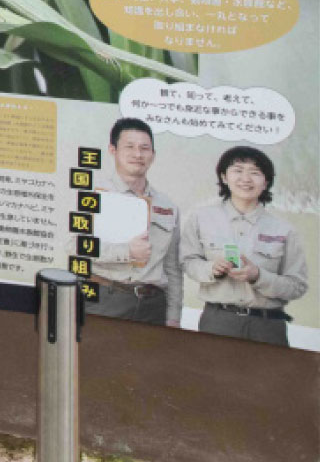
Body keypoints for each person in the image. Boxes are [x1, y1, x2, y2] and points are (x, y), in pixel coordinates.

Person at [181, 146, 308, 346]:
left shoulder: (284, 230)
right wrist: (211, 269)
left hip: (267, 326)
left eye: (255, 173)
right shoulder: (200, 218)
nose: (246, 179)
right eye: (238, 170)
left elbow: (296, 286)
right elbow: (188, 262)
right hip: (218, 322)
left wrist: (258, 276)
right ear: (224, 177)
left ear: (266, 182)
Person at [86, 118, 182, 327]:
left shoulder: (168, 206)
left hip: (153, 306)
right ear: (113, 150)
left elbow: (172, 269)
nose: (138, 154)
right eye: (129, 147)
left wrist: (173, 316)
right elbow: (74, 246)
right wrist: (127, 252)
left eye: (144, 148)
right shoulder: (93, 194)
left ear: (153, 155)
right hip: (106, 298)